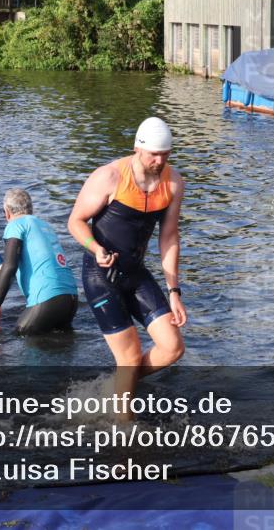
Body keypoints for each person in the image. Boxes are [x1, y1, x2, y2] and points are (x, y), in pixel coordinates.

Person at [67, 116, 187, 413]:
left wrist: (174, 291)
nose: (159, 161)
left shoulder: (173, 183)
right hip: (101, 274)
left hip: (135, 273)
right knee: (130, 357)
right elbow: (75, 221)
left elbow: (169, 237)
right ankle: (124, 433)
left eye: (165, 154)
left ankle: (116, 388)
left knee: (173, 347)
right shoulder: (109, 177)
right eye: (153, 154)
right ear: (137, 148)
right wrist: (95, 248)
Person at [0, 189, 78, 335]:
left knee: (15, 339)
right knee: (60, 349)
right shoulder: (45, 226)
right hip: (71, 298)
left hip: (47, 299)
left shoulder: (15, 225)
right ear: (31, 208)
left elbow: (10, 265)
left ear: (7, 211)